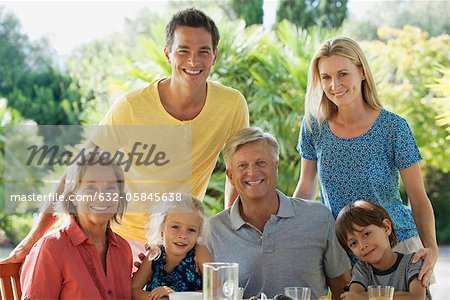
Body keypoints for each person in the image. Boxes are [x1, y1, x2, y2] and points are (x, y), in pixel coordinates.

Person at [2, 7, 249, 264]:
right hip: (121, 238)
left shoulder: (231, 105)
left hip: (176, 243)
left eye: (203, 52)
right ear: (168, 53)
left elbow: (237, 171)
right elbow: (77, 171)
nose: (193, 61)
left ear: (215, 56)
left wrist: (229, 232)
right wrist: (31, 240)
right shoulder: (131, 107)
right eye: (183, 51)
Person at [293, 37, 438, 287]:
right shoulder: (313, 128)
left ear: (361, 71)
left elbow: (418, 197)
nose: (334, 85)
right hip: (343, 254)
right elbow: (306, 189)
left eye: (342, 74)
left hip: (397, 250)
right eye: (326, 77)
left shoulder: (393, 127)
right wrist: (290, 237)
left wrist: (431, 248)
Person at [206, 127, 351, 299]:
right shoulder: (213, 230)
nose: (252, 172)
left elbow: (342, 290)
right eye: (243, 165)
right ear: (230, 175)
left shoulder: (319, 217)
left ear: (276, 167)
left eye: (260, 163)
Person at [20, 150, 132, 299]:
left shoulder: (123, 249)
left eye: (111, 188)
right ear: (72, 196)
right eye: (91, 188)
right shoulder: (51, 248)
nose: (102, 196)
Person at [335, 201, 430, 300]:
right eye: (353, 243)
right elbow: (354, 297)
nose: (362, 246)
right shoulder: (362, 269)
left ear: (386, 227)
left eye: (366, 234)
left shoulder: (412, 262)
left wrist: (364, 296)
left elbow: (417, 297)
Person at [132, 195, 211, 300]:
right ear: (161, 227)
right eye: (175, 227)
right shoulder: (155, 253)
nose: (183, 235)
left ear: (199, 233)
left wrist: (176, 297)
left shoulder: (199, 253)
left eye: (191, 230)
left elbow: (216, 291)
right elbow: (133, 289)